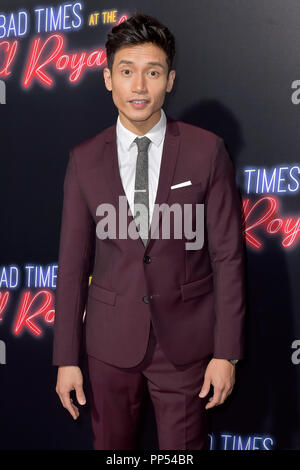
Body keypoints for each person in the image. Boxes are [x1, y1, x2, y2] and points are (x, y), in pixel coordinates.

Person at [52, 12, 246, 450]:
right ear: (107, 79)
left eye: (152, 72)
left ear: (170, 80)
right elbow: (71, 264)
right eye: (126, 72)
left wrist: (226, 352)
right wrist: (66, 358)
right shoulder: (83, 159)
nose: (139, 86)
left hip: (186, 346)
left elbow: (228, 257)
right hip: (108, 345)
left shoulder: (206, 151)